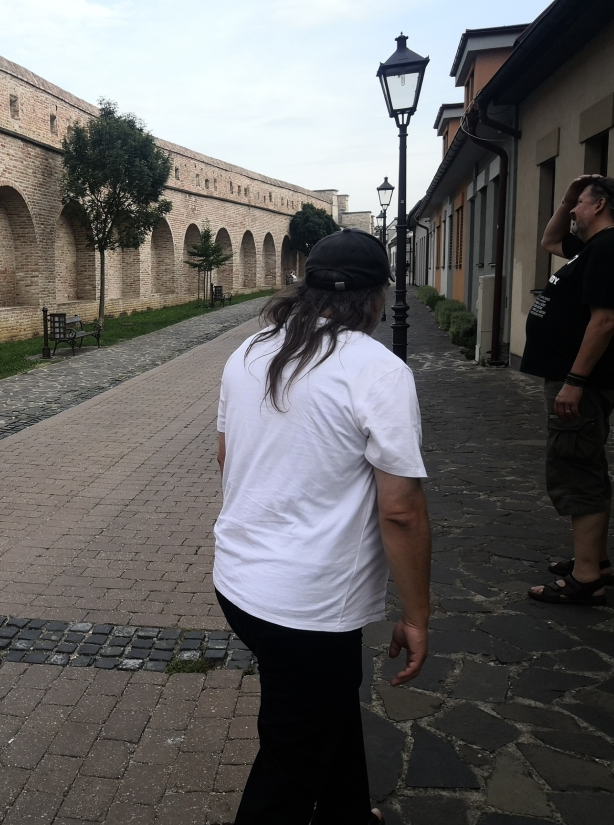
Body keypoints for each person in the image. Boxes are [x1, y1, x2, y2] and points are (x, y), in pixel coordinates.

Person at [213, 228, 431, 825]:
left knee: (324, 710)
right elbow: (401, 510)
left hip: (238, 582)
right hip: (307, 606)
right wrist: (415, 616)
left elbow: (226, 457)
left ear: (304, 287)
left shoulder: (250, 350)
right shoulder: (377, 370)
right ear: (377, 296)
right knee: (291, 758)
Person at [522, 174, 614, 606]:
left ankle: (586, 579)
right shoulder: (591, 247)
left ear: (599, 205)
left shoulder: (608, 248)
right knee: (586, 464)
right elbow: (549, 240)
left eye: (580, 203)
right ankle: (595, 561)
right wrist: (564, 200)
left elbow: (606, 320)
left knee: (575, 468)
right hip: (575, 380)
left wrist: (574, 382)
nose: (573, 210)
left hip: (580, 383)